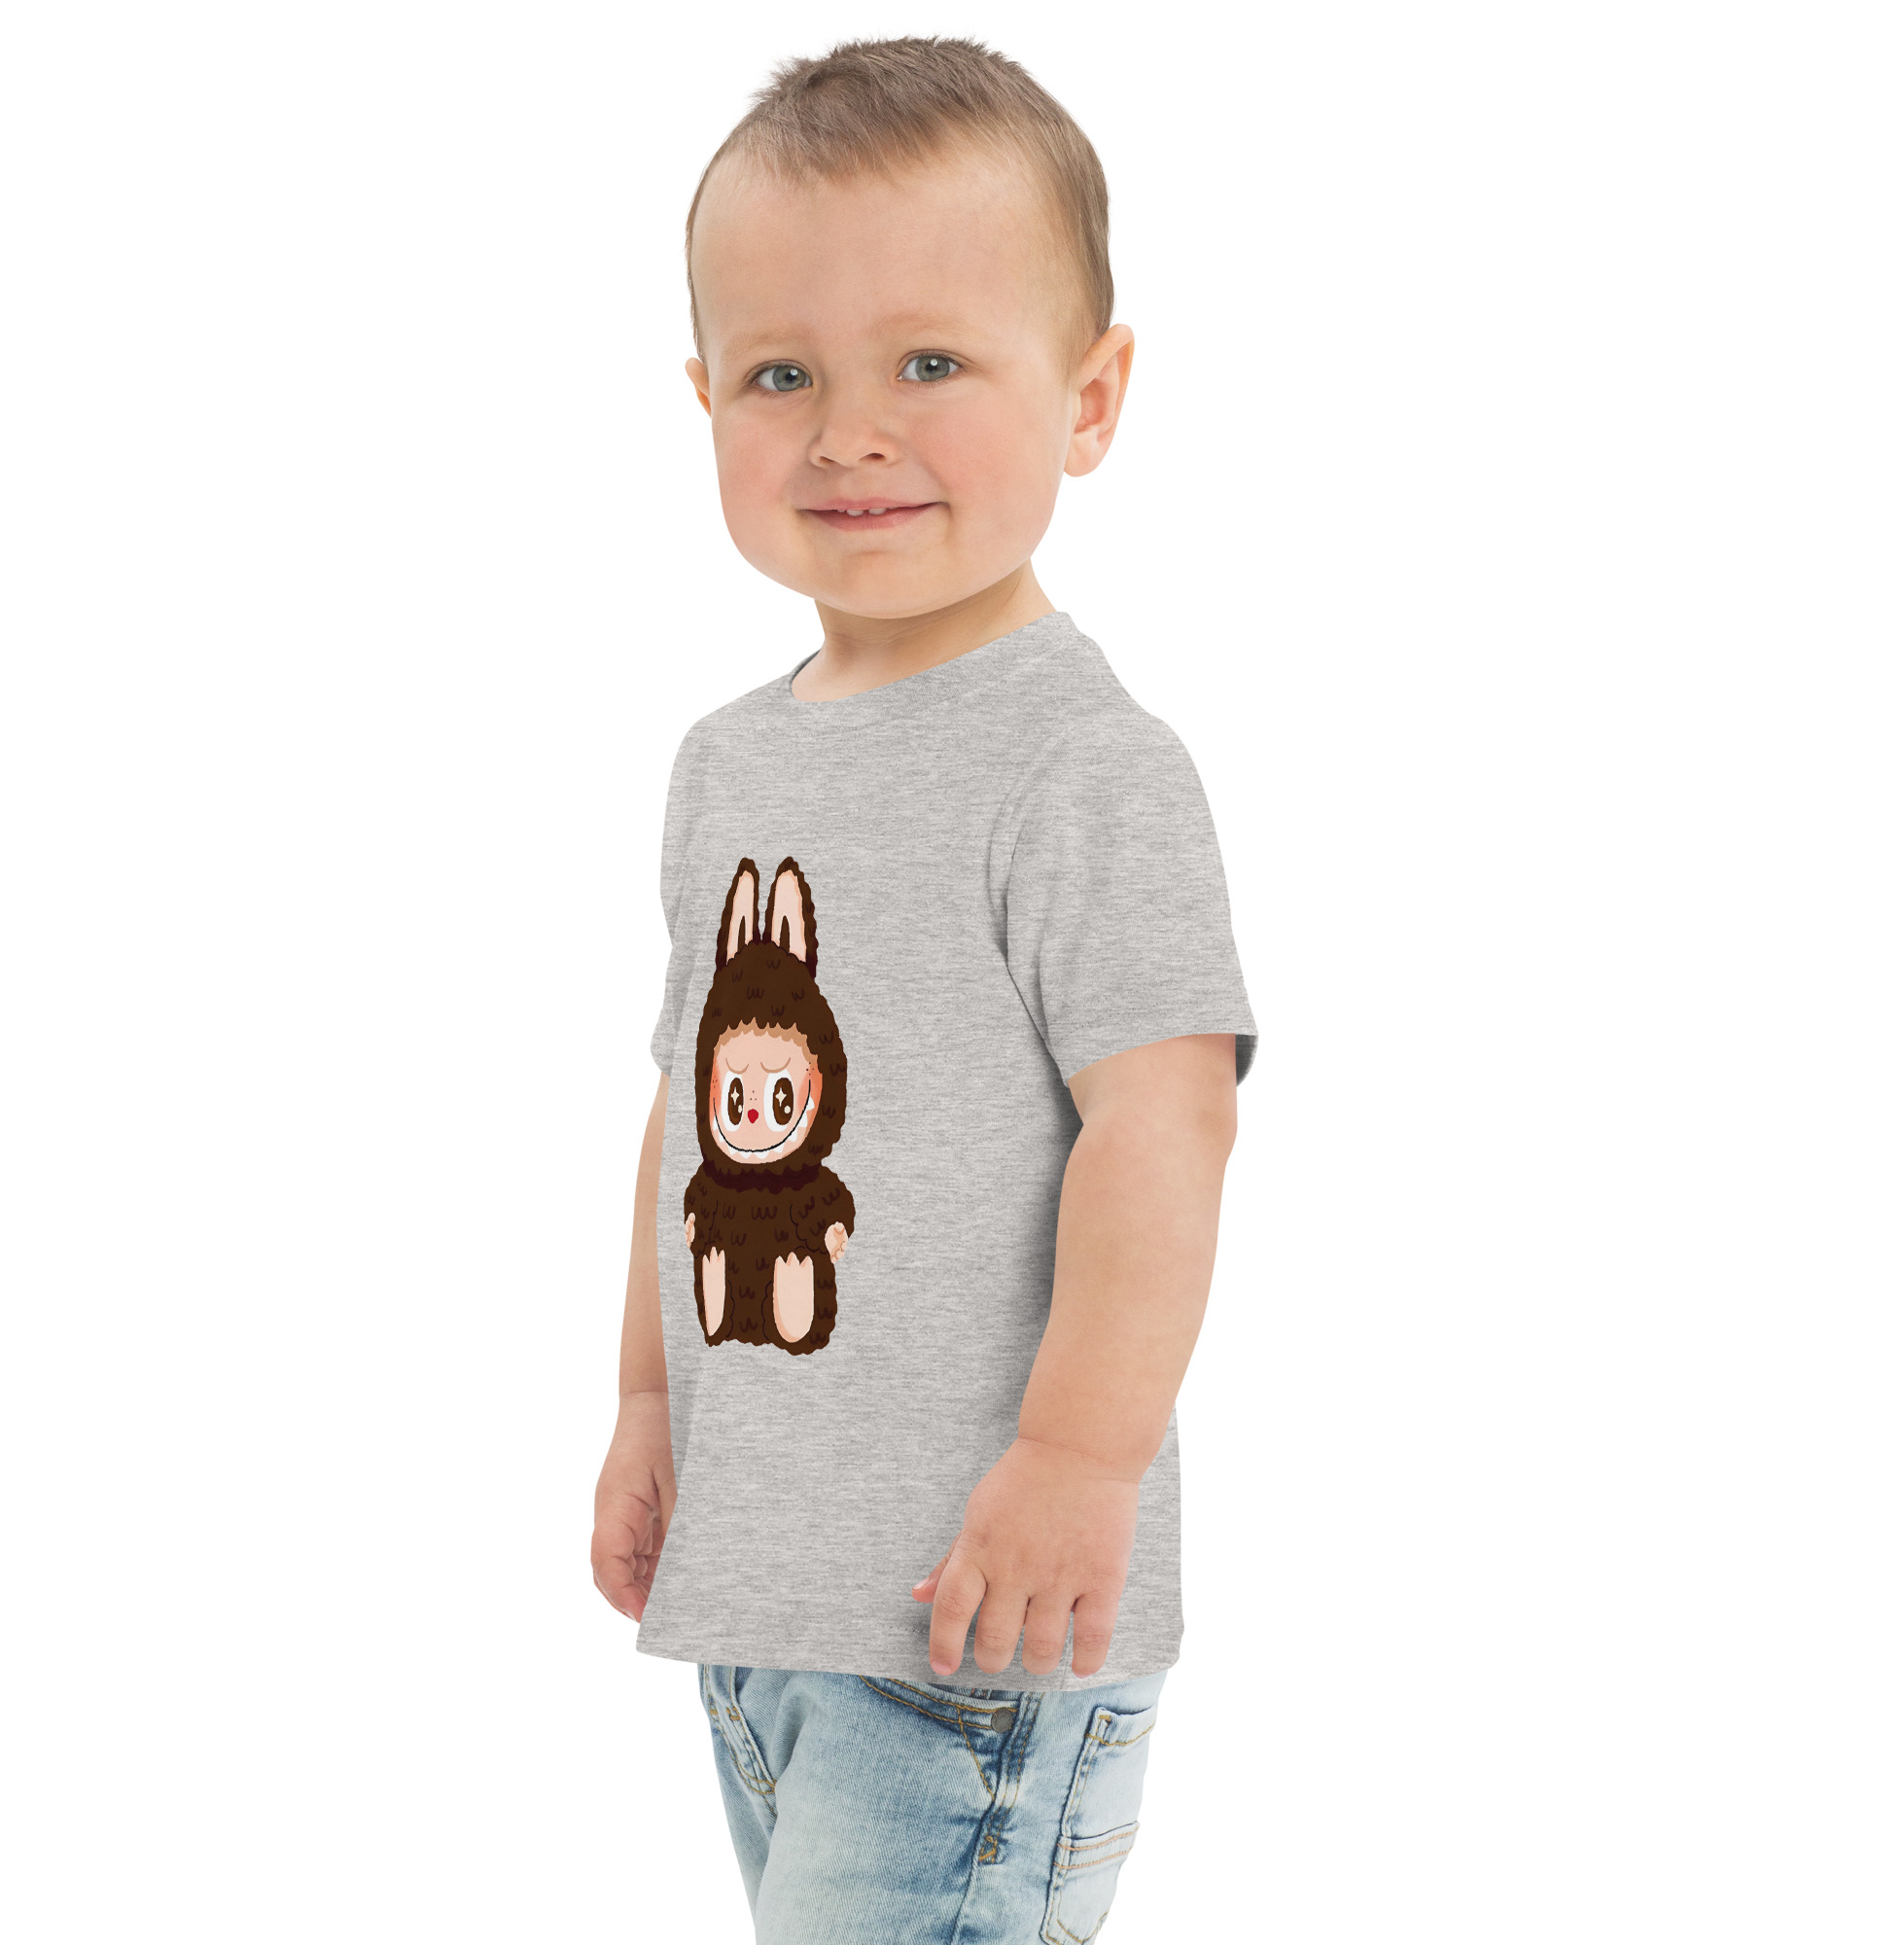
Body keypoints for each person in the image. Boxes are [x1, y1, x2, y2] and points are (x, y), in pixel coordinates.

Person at [590, 36, 1257, 1943]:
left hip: (980, 1622)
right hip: (768, 1608)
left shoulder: (1083, 764)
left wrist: (1077, 1456)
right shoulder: (728, 762)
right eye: (781, 374)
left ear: (1090, 397)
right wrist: (648, 1398)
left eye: (931, 365)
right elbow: (690, 1114)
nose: (848, 433)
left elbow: (1165, 1120)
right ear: (704, 397)